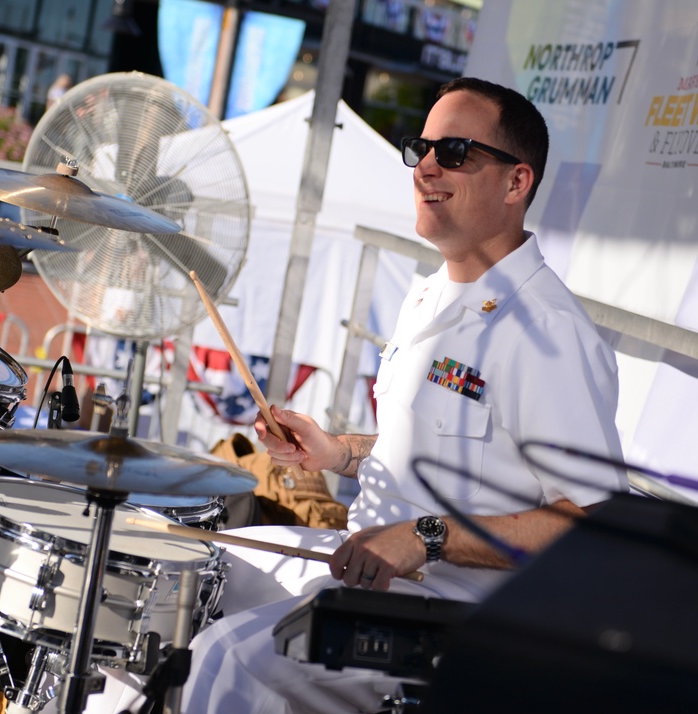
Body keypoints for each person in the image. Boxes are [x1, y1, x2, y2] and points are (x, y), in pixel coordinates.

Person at [175, 76, 627, 713]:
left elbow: (589, 527)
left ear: (516, 182)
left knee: (225, 659)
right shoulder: (427, 295)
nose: (427, 167)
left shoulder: (548, 334)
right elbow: (431, 450)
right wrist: (335, 454)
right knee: (189, 574)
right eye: (423, 148)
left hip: (456, 619)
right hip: (376, 569)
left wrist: (426, 536)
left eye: (457, 153)